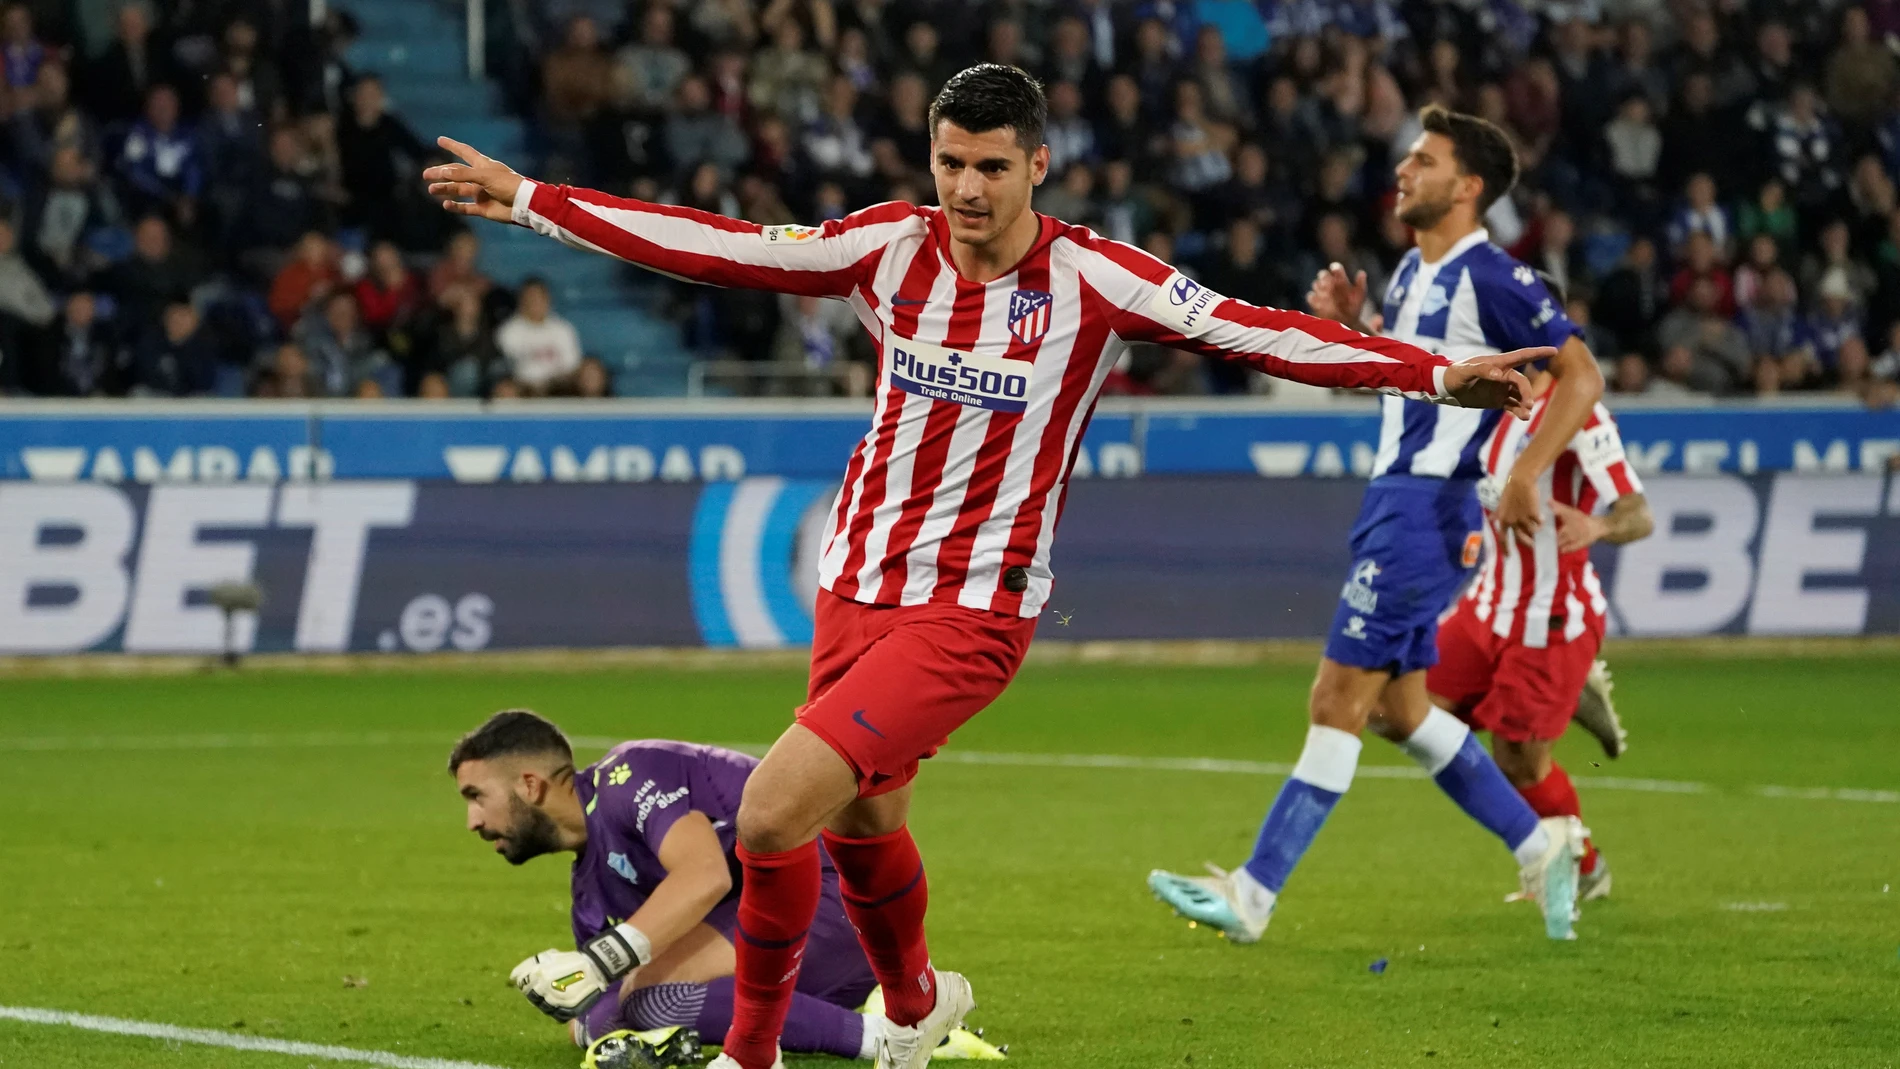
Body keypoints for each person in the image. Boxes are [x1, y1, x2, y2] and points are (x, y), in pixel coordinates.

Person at [425, 65, 1542, 1069]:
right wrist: (534, 201)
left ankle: (750, 1055)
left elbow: (1260, 331)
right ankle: (915, 1000)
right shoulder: (887, 248)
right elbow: (718, 245)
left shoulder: (1097, 279)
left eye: (991, 168)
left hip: (972, 612)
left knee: (770, 814)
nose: (966, 188)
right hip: (856, 588)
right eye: (950, 163)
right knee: (865, 821)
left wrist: (1437, 373)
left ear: (1036, 166)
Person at [1149, 105, 1606, 945]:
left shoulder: (1494, 277)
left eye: (1424, 161)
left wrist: (1525, 472)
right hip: (1394, 496)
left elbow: (1580, 375)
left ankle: (1254, 892)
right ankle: (1542, 841)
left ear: (1468, 187)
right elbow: (1423, 378)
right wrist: (1366, 328)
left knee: (1335, 697)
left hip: (1428, 507)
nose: (1403, 171)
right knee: (1400, 710)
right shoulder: (1410, 272)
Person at [445, 711, 1003, 1061]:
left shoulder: (628, 776)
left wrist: (600, 967)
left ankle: (887, 1037)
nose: (472, 822)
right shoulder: (590, 888)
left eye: (476, 796)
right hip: (782, 936)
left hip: (830, 893)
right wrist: (579, 1003)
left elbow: (703, 876)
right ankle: (885, 1013)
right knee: (637, 1005)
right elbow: (597, 1014)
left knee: (649, 999)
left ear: (529, 784)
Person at [1428, 371, 1654, 904]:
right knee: (1403, 708)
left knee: (1518, 762)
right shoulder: (1486, 387)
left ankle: (1586, 869)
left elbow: (1637, 515)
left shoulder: (1582, 413)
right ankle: (1569, 694)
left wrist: (1598, 527)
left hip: (1551, 618)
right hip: (1488, 601)